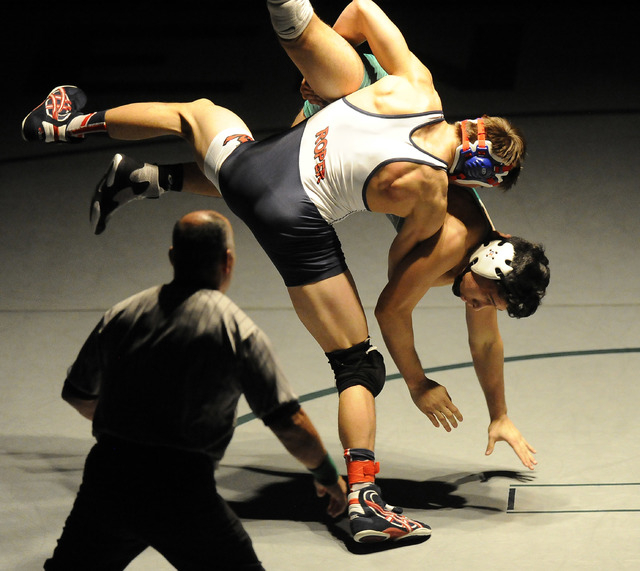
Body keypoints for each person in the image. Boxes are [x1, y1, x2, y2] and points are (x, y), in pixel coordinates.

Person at [22, 0, 542, 543]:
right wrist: (429, 306)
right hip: (294, 222)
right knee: (356, 365)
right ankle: (364, 500)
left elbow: (362, 8)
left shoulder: (415, 87)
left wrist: (315, 92)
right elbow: (396, 278)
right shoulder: (434, 197)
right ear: (477, 178)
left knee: (193, 112)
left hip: (251, 168)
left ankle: (67, 125)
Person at [43, 210, 350, 570]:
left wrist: (130, 427)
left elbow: (77, 392)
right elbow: (289, 422)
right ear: (228, 262)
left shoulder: (123, 313)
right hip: (180, 489)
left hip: (107, 478)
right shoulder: (236, 332)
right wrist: (327, 475)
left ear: (173, 257)